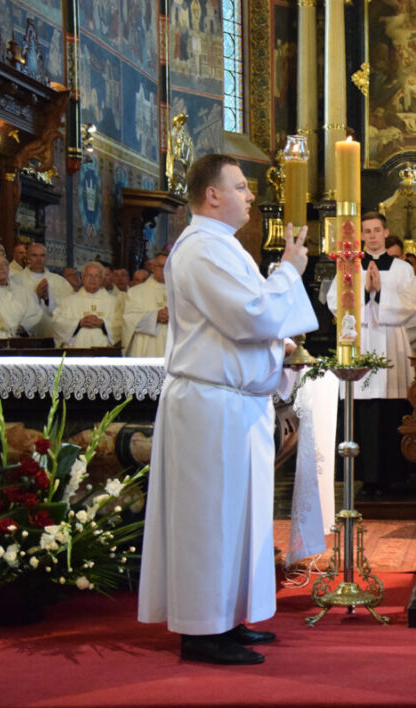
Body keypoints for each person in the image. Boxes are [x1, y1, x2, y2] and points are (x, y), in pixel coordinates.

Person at [138, 153, 317, 666]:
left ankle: (228, 616)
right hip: (210, 407)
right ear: (212, 194)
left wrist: (275, 346)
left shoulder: (221, 246)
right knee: (208, 517)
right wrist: (289, 271)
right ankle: (201, 631)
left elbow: (240, 322)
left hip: (233, 405)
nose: (248, 195)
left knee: (238, 516)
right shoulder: (201, 249)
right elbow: (249, 315)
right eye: (240, 186)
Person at [325, 212, 416, 496]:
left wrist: (381, 294)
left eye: (377, 230)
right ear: (361, 236)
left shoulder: (402, 269)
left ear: (385, 232)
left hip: (391, 343)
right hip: (363, 341)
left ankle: (395, 476)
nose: (373, 235)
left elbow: (414, 303)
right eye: (367, 231)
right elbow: (334, 303)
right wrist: (364, 294)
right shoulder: (348, 266)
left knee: (391, 408)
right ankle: (366, 476)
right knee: (364, 408)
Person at [52, 262, 123, 348]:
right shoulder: (68, 301)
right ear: (82, 278)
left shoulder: (114, 302)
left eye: (97, 276)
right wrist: (79, 323)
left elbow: (122, 324)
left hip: (104, 352)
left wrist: (103, 324)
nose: (92, 279)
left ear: (102, 279)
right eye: (89, 275)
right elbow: (57, 323)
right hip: (76, 351)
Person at [13, 242, 74, 338]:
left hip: (52, 335)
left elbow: (68, 309)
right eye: (34, 255)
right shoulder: (16, 281)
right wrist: (36, 296)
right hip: (26, 337)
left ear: (46, 258)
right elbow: (13, 309)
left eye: (42, 255)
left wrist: (48, 300)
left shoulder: (59, 281)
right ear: (27, 258)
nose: (39, 260)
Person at [122, 253, 168, 357]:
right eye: (161, 266)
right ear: (153, 267)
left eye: (168, 266)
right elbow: (129, 319)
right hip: (146, 347)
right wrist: (155, 317)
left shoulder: (179, 293)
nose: (164, 270)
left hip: (171, 347)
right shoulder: (136, 292)